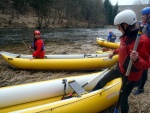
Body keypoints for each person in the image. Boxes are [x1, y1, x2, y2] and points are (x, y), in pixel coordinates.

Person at [92, 10, 150, 113]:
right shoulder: (126, 36)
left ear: (125, 24)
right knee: (103, 80)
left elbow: (146, 64)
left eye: (119, 26)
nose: (118, 28)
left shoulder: (142, 41)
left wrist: (137, 59)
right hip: (120, 68)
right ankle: (90, 97)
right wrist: (114, 52)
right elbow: (123, 48)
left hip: (131, 76)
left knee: (123, 98)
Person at [132, 7, 150, 95]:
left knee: (144, 68)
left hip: (147, 50)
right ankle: (138, 82)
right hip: (141, 48)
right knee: (139, 66)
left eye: (143, 15)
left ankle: (141, 88)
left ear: (149, 15)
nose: (142, 16)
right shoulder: (144, 24)